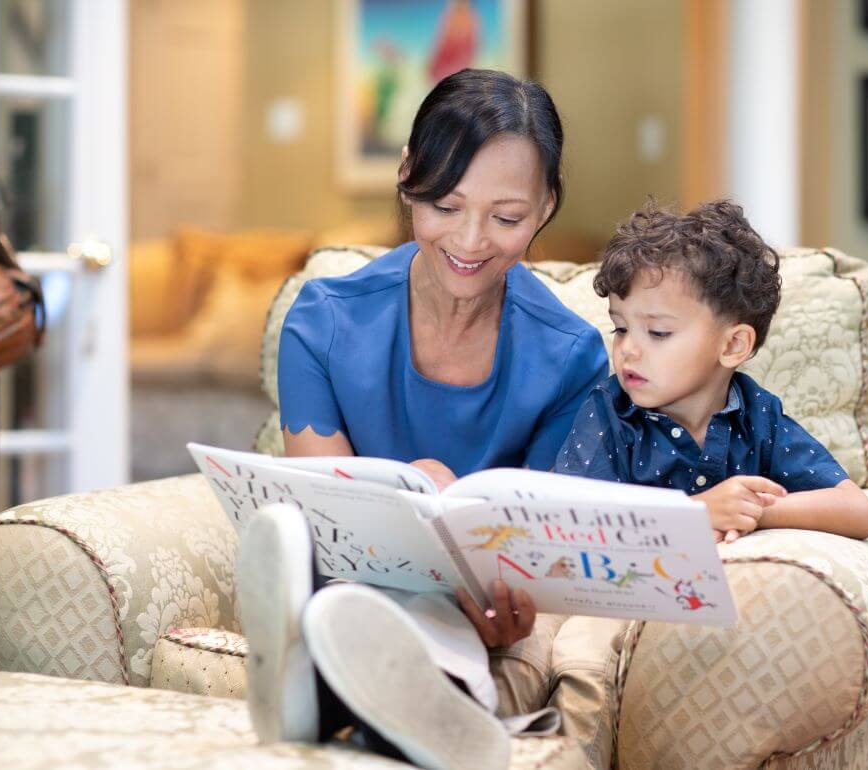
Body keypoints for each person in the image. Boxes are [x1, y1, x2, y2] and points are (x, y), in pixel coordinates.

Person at [237, 69, 608, 770]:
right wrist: (418, 494)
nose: (469, 242)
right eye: (444, 204)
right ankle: (411, 689)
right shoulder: (322, 321)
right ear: (408, 179)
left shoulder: (572, 357)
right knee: (330, 554)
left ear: (545, 207)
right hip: (349, 570)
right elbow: (328, 508)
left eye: (505, 217)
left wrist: (507, 593)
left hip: (475, 609)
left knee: (440, 605)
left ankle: (322, 681)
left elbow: (537, 545)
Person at [555, 199, 868, 543]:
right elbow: (569, 524)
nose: (628, 349)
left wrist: (751, 511)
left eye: (658, 332)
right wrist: (697, 512)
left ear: (733, 345)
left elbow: (857, 511)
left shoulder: (759, 416)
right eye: (620, 329)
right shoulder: (610, 413)